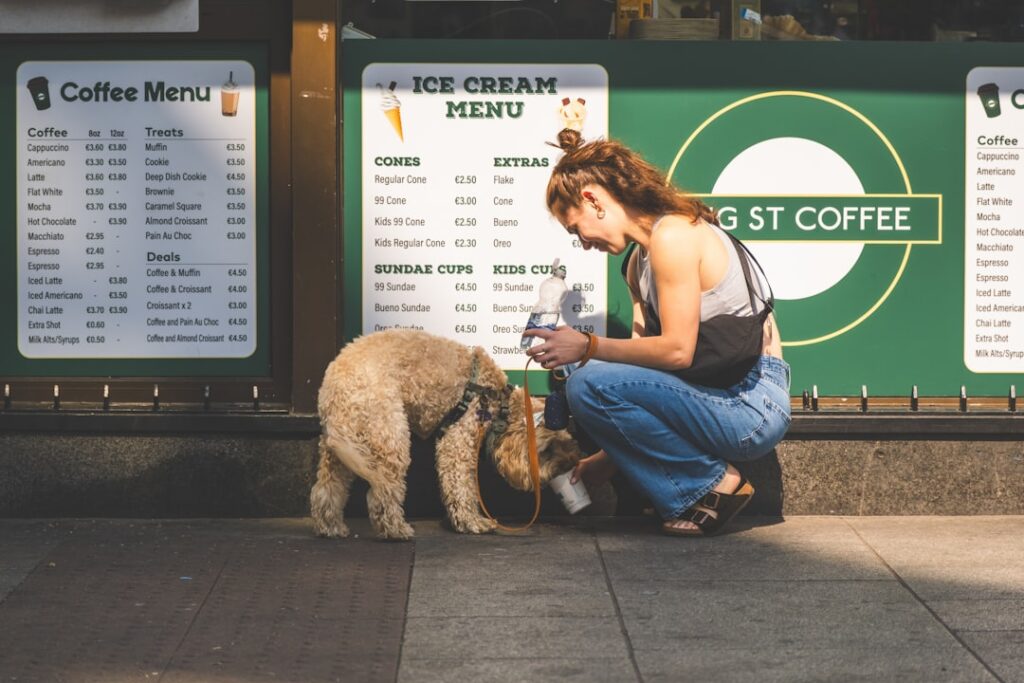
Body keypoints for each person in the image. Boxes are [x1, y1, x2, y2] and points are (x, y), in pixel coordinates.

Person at [522, 129, 791, 537]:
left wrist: (586, 346)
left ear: (594, 200)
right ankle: (690, 486)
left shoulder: (675, 235)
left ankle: (711, 484)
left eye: (576, 229)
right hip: (712, 398)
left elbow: (679, 353)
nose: (583, 243)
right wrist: (600, 463)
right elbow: (639, 384)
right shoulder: (636, 264)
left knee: (588, 380)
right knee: (593, 382)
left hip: (751, 405)